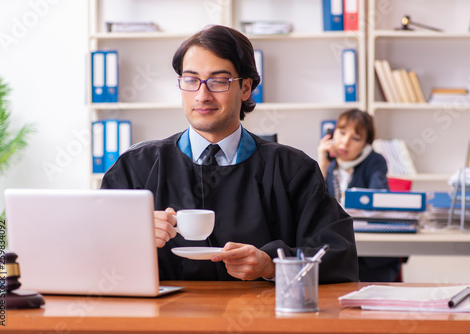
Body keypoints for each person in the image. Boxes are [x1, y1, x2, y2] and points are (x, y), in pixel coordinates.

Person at [101, 25, 358, 284]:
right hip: (161, 320)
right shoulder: (136, 167)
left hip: (261, 320)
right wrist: (131, 232)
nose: (202, 96)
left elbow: (337, 253)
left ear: (246, 88)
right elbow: (89, 248)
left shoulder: (293, 170)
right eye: (191, 80)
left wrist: (271, 265)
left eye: (218, 81)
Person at [317, 109, 401, 282]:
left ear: (366, 145)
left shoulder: (375, 161)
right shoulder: (329, 165)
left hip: (371, 260)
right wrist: (322, 166)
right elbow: (314, 205)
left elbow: (379, 198)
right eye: (341, 133)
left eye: (356, 138)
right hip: (337, 251)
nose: (345, 142)